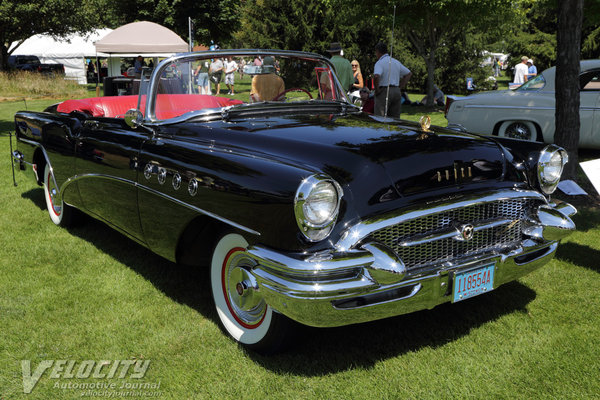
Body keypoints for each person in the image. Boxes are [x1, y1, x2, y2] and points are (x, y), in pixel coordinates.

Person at [373, 41, 412, 118]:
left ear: (377, 51)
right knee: (395, 118)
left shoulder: (380, 63)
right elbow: (409, 74)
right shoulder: (396, 62)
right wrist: (400, 87)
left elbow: (376, 76)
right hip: (396, 90)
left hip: (384, 90)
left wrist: (377, 90)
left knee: (380, 116)